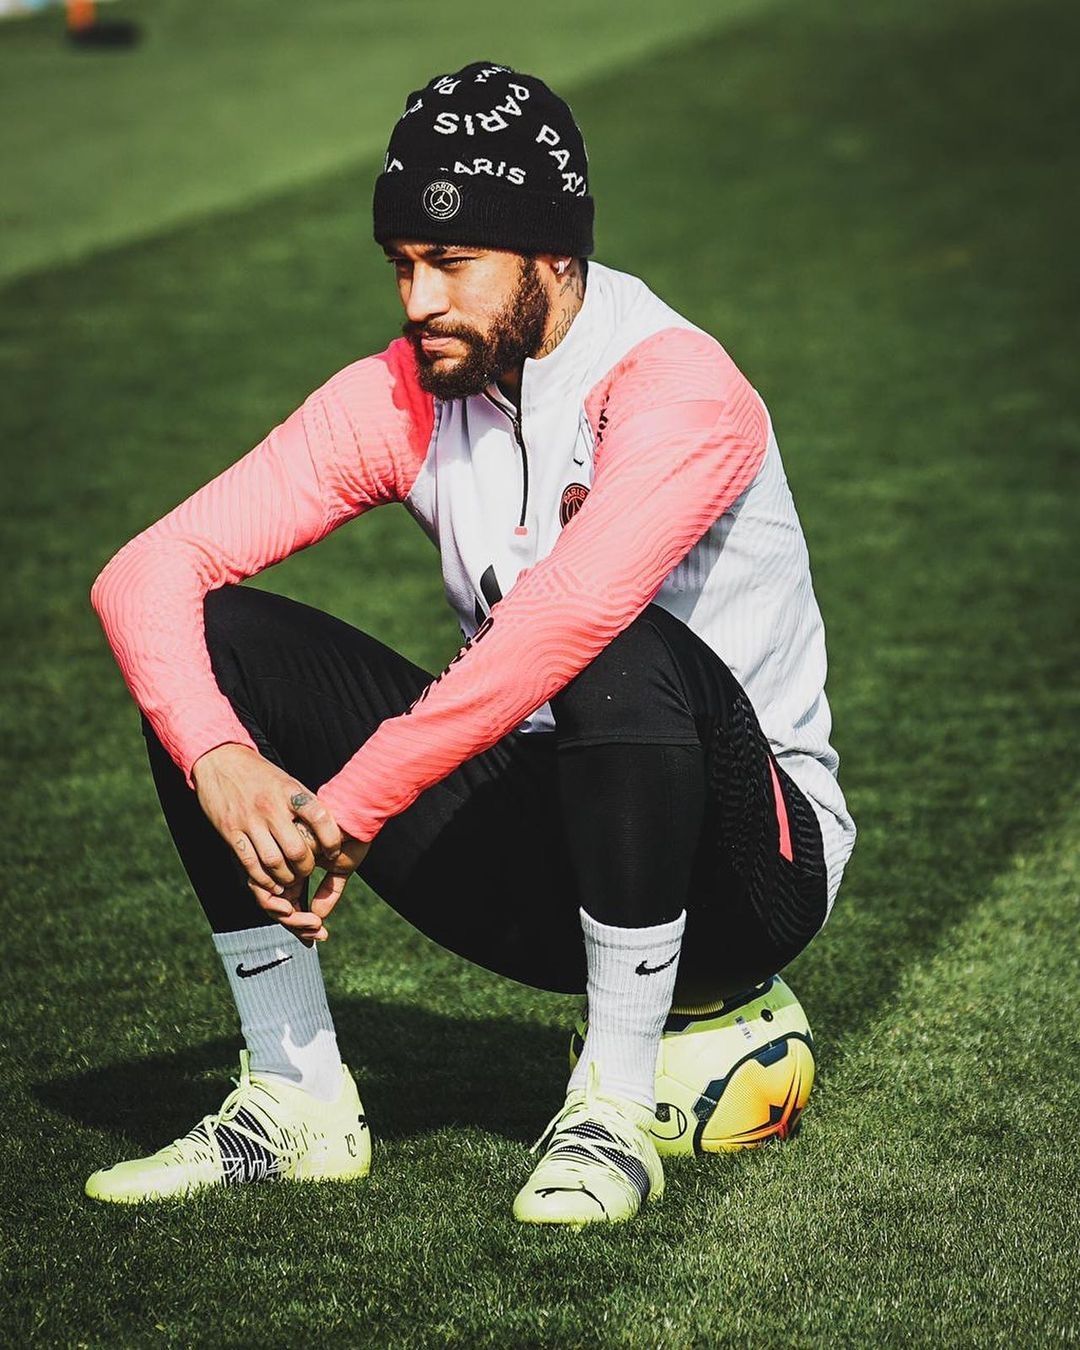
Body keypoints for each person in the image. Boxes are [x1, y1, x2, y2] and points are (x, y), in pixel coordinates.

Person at [85, 62, 855, 1225]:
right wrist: (218, 757)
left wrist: (354, 802)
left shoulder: (681, 386)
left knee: (606, 642)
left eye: (452, 262)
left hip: (748, 873)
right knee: (203, 644)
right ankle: (295, 1097)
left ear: (555, 256)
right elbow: (145, 570)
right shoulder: (410, 391)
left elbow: (575, 611)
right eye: (402, 264)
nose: (418, 300)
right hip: (554, 858)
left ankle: (611, 1110)